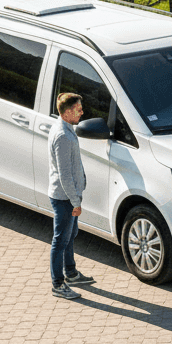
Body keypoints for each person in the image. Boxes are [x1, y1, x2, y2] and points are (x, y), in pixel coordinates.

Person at [48, 92, 96, 299]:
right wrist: (75, 201)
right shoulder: (63, 136)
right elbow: (64, 175)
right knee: (60, 240)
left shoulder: (66, 129)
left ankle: (71, 273)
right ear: (67, 113)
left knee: (69, 236)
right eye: (78, 109)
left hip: (69, 196)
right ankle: (58, 284)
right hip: (65, 198)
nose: (82, 112)